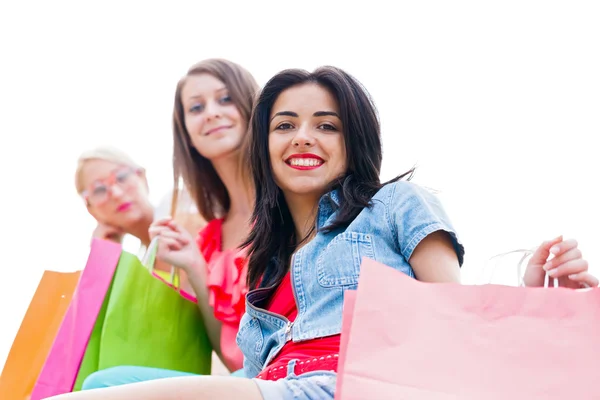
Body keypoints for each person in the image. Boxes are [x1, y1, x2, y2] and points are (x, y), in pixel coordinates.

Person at [48, 66, 597, 400]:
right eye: (285, 125)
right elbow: (249, 365)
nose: (303, 138)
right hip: (269, 384)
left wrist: (528, 297)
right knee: (102, 384)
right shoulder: (266, 258)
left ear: (352, 140)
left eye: (326, 125)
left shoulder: (395, 204)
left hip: (343, 382)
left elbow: (450, 316)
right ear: (264, 144)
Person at [79, 58, 259, 389]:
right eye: (196, 107)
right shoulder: (210, 237)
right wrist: (194, 266)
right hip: (248, 376)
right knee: (100, 384)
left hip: (298, 371)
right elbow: (232, 352)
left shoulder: (289, 200)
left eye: (225, 98)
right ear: (187, 133)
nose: (211, 113)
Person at [75, 145, 204, 258]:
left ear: (142, 177)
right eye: (99, 190)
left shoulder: (183, 207)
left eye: (121, 177)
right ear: (91, 210)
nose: (117, 194)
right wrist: (103, 254)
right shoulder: (142, 260)